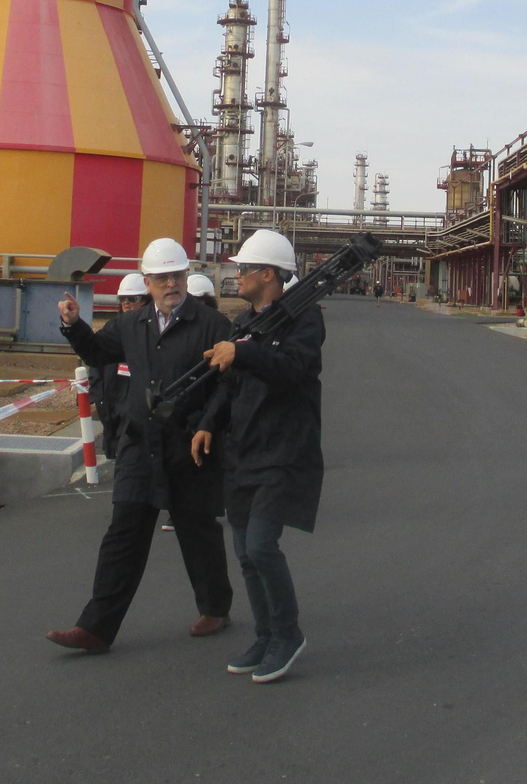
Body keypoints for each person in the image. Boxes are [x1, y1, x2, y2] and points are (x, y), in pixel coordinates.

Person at [48, 238, 236, 654]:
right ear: (147, 282)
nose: (170, 284)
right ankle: (95, 628)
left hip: (191, 445)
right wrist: (74, 325)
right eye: (161, 278)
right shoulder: (133, 326)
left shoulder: (212, 326)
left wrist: (208, 425)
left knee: (196, 529)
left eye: (176, 275)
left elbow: (227, 386)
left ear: (186, 276)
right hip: (141, 443)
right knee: (124, 532)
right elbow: (97, 351)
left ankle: (216, 607)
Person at [193, 228, 323, 684]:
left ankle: (288, 634)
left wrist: (243, 352)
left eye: (244, 270)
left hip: (283, 451)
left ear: (268, 274)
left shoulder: (305, 320)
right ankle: (266, 634)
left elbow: (290, 370)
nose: (237, 276)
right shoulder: (244, 324)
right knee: (244, 553)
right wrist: (208, 423)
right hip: (244, 452)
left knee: (262, 546)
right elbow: (228, 386)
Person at [91, 273, 148, 460]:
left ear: (145, 301)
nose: (126, 303)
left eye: (132, 298)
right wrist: (99, 398)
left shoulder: (151, 332)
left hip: (137, 416)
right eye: (122, 299)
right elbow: (95, 360)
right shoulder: (112, 328)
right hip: (113, 410)